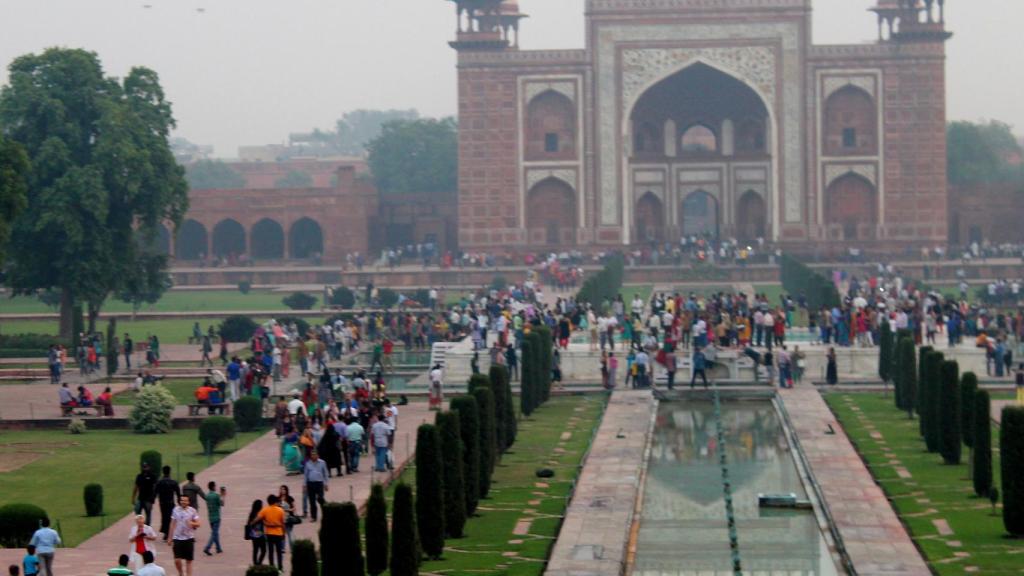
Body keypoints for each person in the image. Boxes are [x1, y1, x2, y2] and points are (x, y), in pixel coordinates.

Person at [167, 494, 200, 576]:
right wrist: (169, 537)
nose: (183, 502)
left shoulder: (192, 511)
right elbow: (172, 524)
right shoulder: (175, 510)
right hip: (177, 538)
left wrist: (191, 523)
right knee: (177, 560)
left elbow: (198, 523)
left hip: (189, 538)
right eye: (182, 500)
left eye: (185, 500)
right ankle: (180, 572)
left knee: (189, 560)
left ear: (188, 502)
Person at [252, 496, 286, 571]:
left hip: (269, 534)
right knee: (279, 552)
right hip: (278, 534)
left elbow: (257, 518)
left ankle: (271, 567)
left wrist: (251, 523)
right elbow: (283, 523)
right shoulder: (280, 510)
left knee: (271, 552)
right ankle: (280, 568)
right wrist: (284, 533)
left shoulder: (265, 510)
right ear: (275, 502)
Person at [155, 466, 181, 539]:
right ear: (170, 472)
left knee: (164, 517)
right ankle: (168, 532)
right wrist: (179, 501)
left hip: (162, 503)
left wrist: (152, 500)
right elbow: (178, 493)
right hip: (170, 502)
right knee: (170, 517)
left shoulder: (159, 482)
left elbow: (155, 492)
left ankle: (166, 532)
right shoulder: (173, 482)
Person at [304, 450, 330, 521]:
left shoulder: (322, 463)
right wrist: (305, 485)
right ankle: (314, 517)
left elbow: (326, 474)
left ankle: (325, 513)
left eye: (315, 454)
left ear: (318, 455)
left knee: (320, 498)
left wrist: (326, 484)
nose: (313, 456)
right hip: (310, 484)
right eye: (312, 455)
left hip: (319, 483)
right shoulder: (308, 463)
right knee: (312, 501)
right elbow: (306, 475)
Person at [202, 482, 226, 556]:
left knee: (215, 533)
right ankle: (207, 547)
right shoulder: (216, 496)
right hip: (216, 516)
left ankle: (218, 548)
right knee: (214, 534)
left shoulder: (207, 496)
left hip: (210, 517)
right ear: (213, 487)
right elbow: (222, 504)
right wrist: (223, 495)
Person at [245, 499, 267, 566]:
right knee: (263, 550)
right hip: (260, 534)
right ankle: (259, 562)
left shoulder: (252, 513)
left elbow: (248, 523)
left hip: (253, 534)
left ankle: (255, 564)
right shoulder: (260, 513)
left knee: (255, 550)